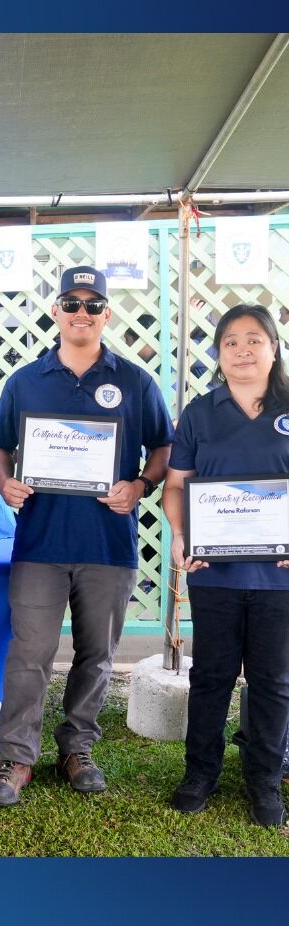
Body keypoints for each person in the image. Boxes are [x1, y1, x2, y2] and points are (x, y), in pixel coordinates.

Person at [0, 266, 174, 807]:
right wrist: (5, 481)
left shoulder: (135, 381)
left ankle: (77, 748)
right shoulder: (25, 381)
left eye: (92, 305)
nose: (81, 314)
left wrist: (141, 484)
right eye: (71, 303)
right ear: (55, 312)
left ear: (107, 314)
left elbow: (164, 446)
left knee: (96, 655)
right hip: (40, 544)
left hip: (108, 545)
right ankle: (17, 757)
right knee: (30, 654)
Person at [162, 304, 289, 828]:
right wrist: (180, 534)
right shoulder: (201, 413)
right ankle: (200, 773)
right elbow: (175, 486)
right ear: (218, 353)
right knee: (211, 676)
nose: (242, 350)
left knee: (273, 681)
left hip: (279, 577)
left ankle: (264, 778)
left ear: (274, 348)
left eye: (254, 339)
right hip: (212, 572)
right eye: (231, 341)